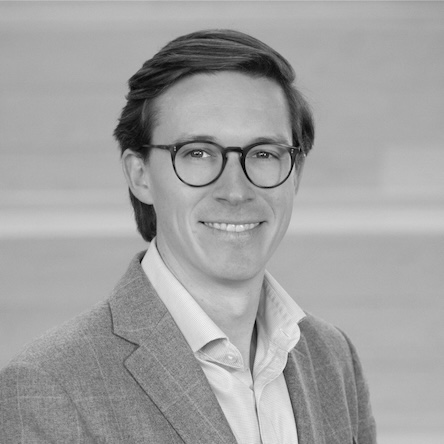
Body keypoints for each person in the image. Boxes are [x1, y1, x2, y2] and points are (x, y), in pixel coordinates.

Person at [0, 29, 376, 443]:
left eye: (264, 154)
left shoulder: (332, 359)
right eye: (198, 153)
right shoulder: (51, 387)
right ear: (140, 175)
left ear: (296, 175)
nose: (235, 190)